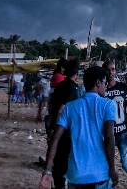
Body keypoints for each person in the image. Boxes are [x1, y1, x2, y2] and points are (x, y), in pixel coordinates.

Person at [39, 66, 118, 189]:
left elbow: (55, 138)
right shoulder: (108, 105)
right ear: (98, 83)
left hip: (76, 176)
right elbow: (109, 137)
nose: (106, 87)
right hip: (99, 174)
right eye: (104, 83)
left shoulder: (70, 107)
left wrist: (48, 171)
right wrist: (112, 169)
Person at [44, 58, 81, 189]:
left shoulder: (60, 86)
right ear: (77, 72)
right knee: (65, 164)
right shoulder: (72, 88)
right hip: (65, 131)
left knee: (58, 163)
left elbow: (52, 106)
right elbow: (61, 108)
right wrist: (57, 127)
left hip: (57, 127)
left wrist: (51, 126)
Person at [104, 60, 127, 186]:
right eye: (108, 69)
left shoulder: (123, 88)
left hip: (123, 131)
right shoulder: (100, 90)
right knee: (107, 162)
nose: (111, 72)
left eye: (113, 69)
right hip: (106, 134)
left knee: (126, 163)